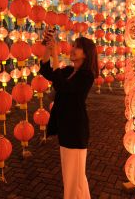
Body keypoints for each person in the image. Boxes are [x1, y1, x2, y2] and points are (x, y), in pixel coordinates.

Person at [39, 30, 98, 199]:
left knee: (75, 179)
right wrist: (49, 49)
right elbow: (46, 71)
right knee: (73, 177)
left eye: (77, 48)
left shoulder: (87, 76)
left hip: (76, 130)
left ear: (86, 55)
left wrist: (56, 55)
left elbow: (62, 87)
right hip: (66, 128)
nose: (72, 49)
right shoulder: (69, 71)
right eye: (73, 46)